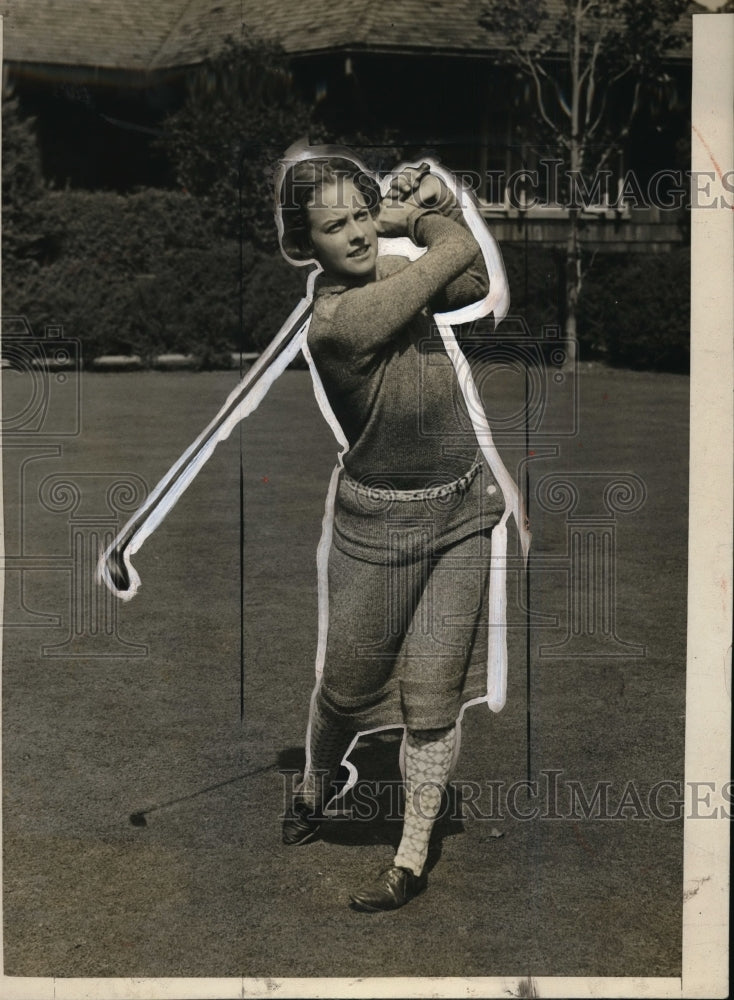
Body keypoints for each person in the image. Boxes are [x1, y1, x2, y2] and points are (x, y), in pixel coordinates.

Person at [275, 146, 527, 911]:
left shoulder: (388, 279)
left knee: (433, 692)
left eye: (360, 216)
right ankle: (316, 783)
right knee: (348, 693)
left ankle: (410, 857)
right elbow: (445, 255)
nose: (356, 234)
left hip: (461, 511)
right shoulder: (340, 323)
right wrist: (418, 215)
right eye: (335, 226)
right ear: (303, 246)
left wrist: (439, 209)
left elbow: (473, 279)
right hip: (375, 534)